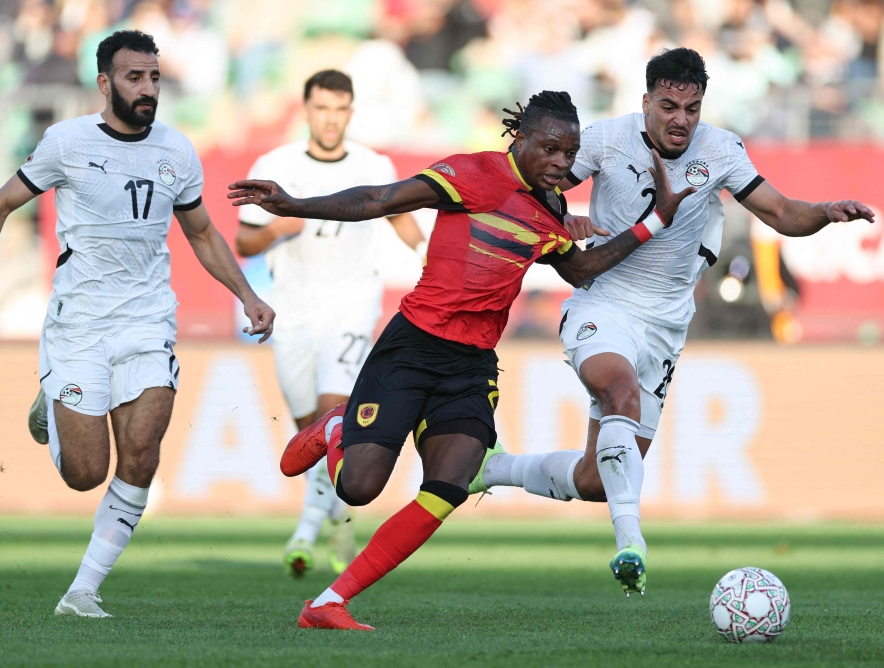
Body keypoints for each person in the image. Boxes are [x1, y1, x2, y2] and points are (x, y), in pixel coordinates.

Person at [227, 90, 696, 630]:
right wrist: (295, 205)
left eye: (570, 154)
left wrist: (655, 220)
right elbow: (380, 198)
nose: (563, 165)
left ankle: (330, 602)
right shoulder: (470, 173)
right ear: (519, 139)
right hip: (413, 347)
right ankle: (338, 427)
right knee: (357, 488)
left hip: (471, 364)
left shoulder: (551, 206)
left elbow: (580, 271)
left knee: (452, 481)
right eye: (551, 149)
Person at [468, 48, 875, 596]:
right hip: (603, 301)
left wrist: (825, 212)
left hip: (665, 326)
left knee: (597, 480)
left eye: (692, 107)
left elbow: (781, 213)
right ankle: (631, 546)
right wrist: (561, 222)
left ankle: (494, 469)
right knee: (619, 390)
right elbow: (539, 187)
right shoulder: (608, 140)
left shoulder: (722, 149)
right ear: (646, 103)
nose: (681, 118)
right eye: (669, 106)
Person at [0, 30, 275, 618]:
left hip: (148, 321)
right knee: (86, 474)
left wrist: (247, 295)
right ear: (105, 83)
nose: (148, 89)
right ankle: (52, 401)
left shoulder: (176, 151)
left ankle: (83, 592)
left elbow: (201, 232)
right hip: (80, 327)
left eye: (153, 77)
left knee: (142, 455)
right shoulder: (65, 143)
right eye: (134, 78)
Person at [234, 69, 426, 578]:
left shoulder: (372, 164)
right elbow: (244, 242)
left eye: (340, 109)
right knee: (310, 437)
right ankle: (338, 515)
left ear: (351, 113)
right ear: (307, 110)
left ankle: (302, 535)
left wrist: (433, 259)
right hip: (294, 312)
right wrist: (280, 225)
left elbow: (402, 220)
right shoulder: (276, 165)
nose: (331, 119)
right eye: (322, 108)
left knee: (332, 413)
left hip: (351, 308)